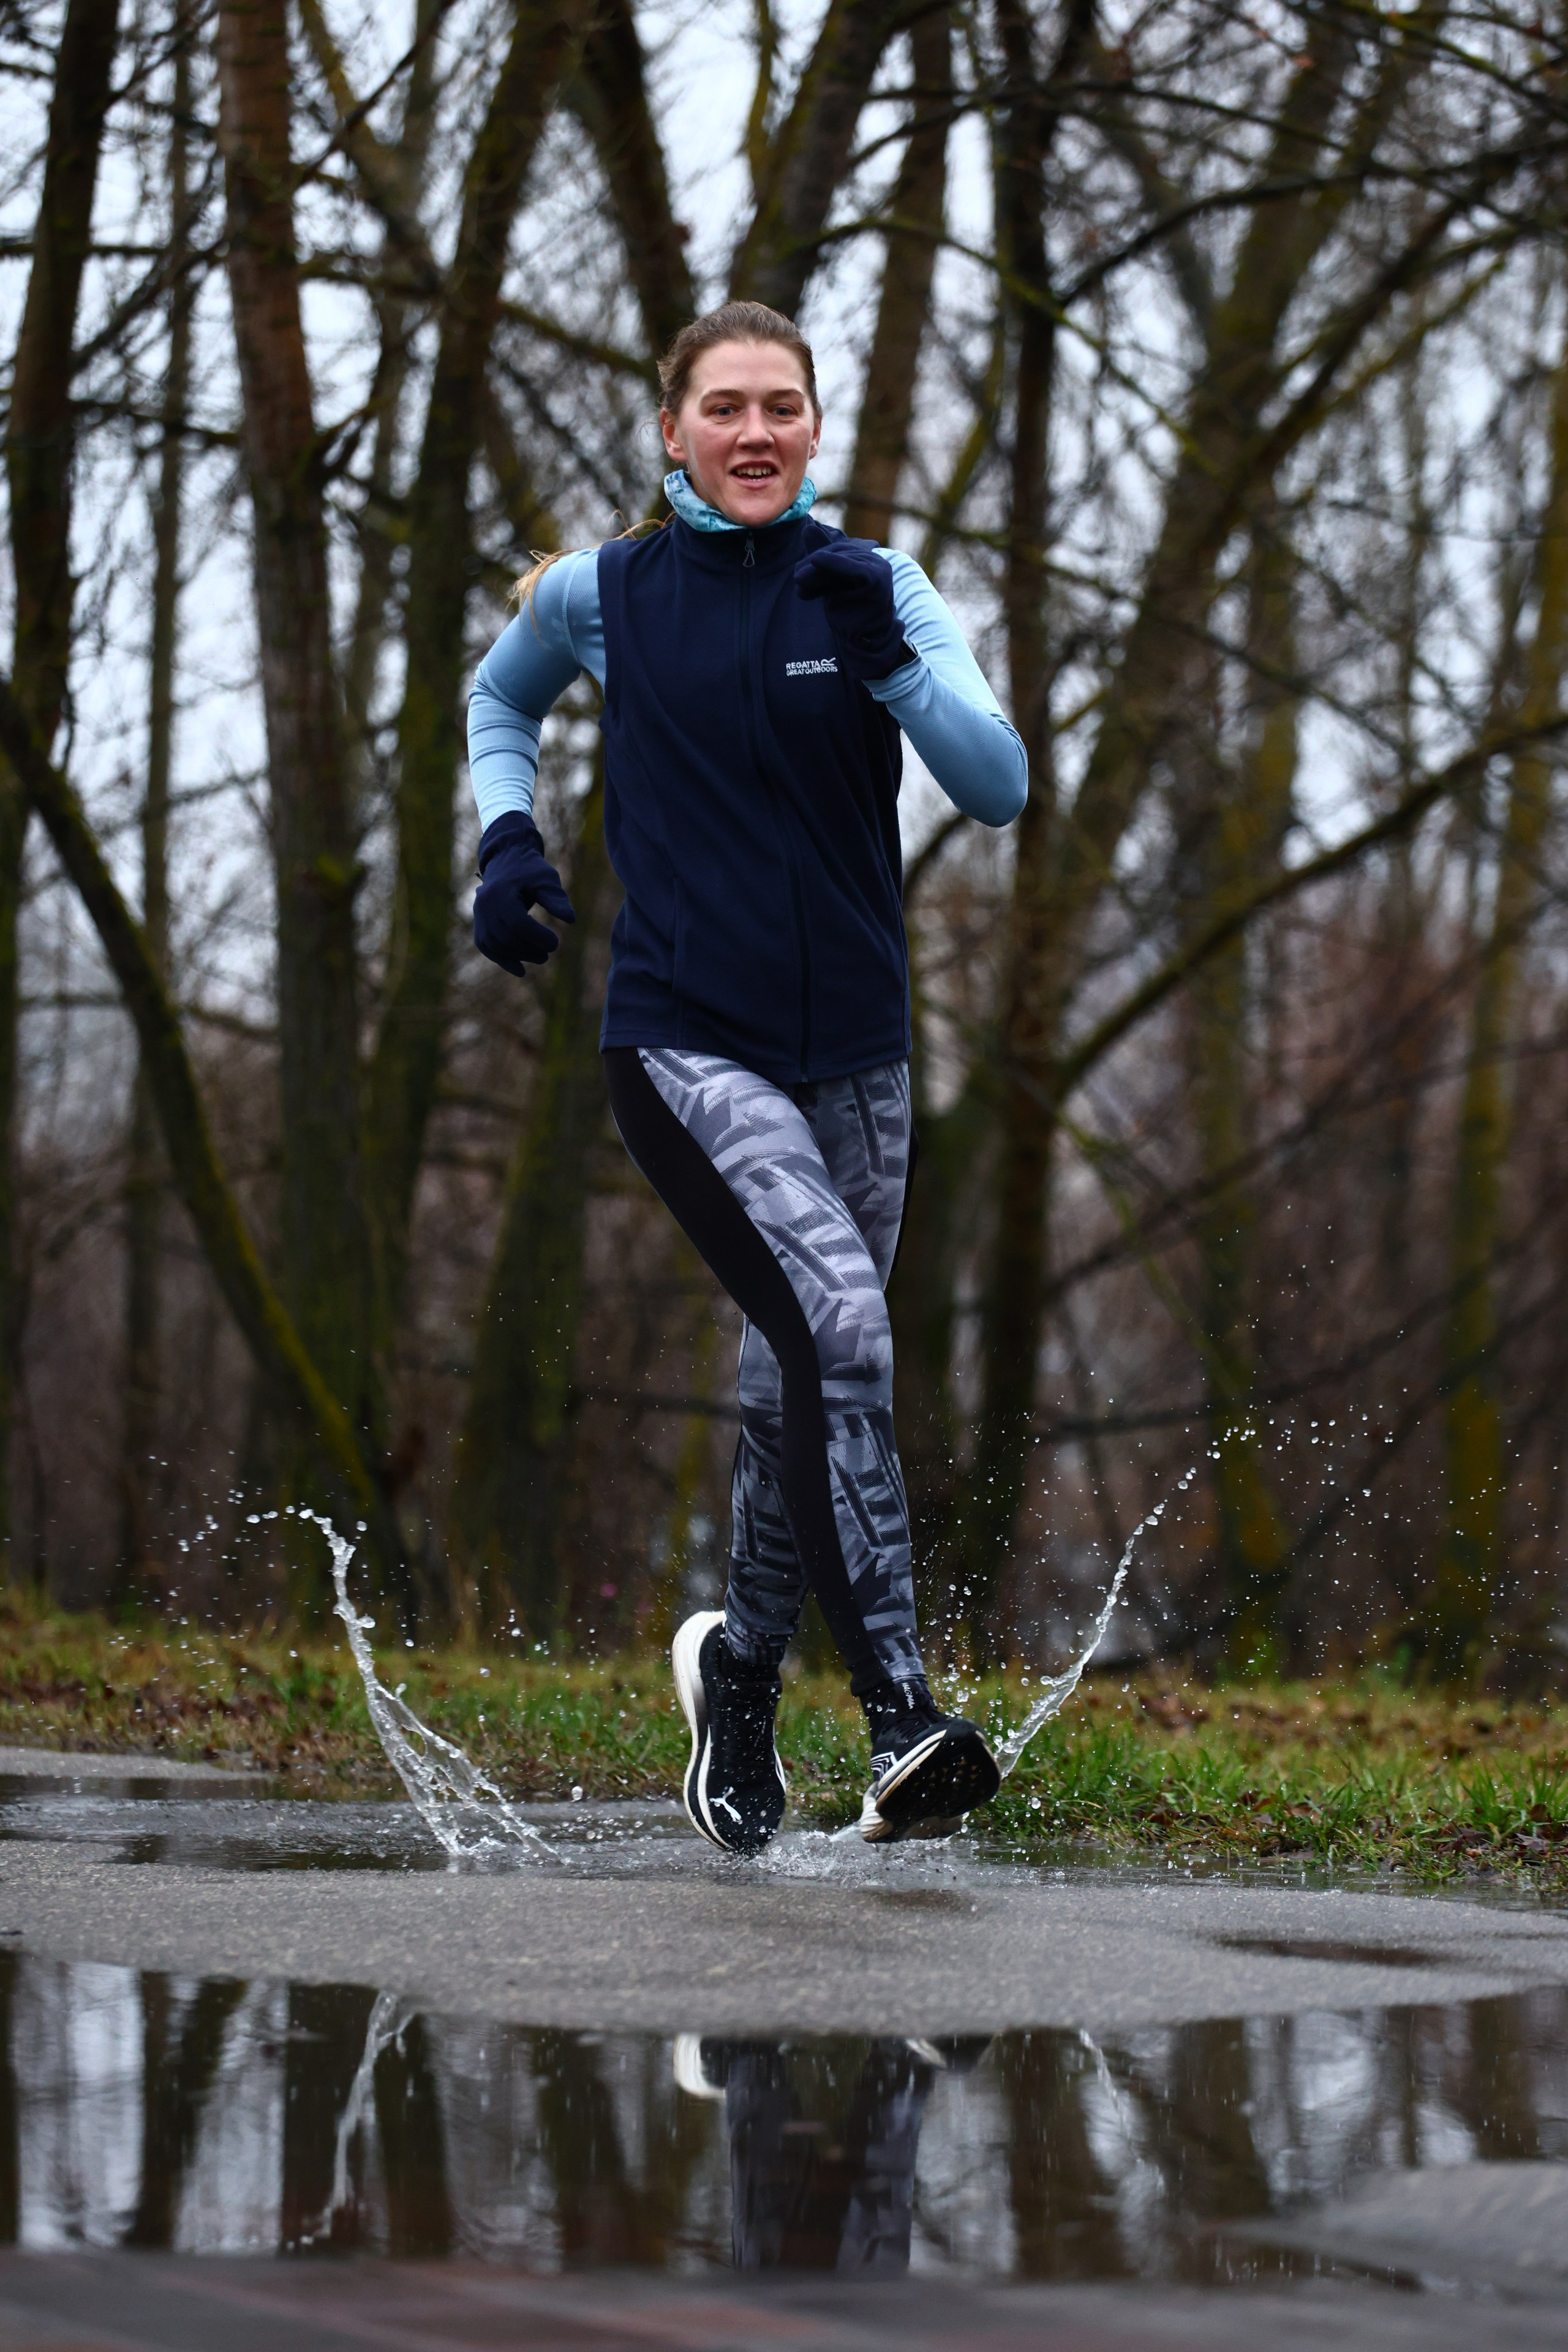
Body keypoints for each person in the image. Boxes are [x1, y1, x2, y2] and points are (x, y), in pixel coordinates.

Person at [467, 300, 1027, 1854]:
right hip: (683, 1040)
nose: (754, 431)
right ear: (672, 430)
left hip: (858, 1055)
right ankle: (904, 1715)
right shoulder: (602, 594)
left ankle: (741, 1678)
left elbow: (995, 784)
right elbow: (498, 698)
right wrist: (505, 834)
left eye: (781, 404)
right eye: (724, 406)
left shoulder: (876, 586)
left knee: (801, 1374)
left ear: (814, 426)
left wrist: (892, 670)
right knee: (840, 1325)